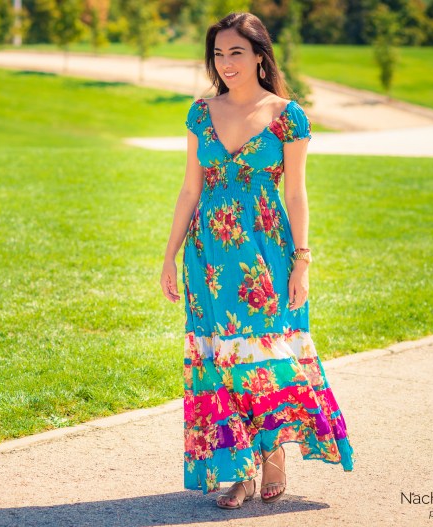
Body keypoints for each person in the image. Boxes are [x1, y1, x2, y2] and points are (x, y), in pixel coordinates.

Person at [160, 12, 355, 510]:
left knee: (264, 355)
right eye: (219, 54)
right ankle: (239, 470)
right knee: (223, 358)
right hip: (207, 257)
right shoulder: (200, 113)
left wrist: (303, 261)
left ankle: (273, 457)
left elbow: (297, 193)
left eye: (237, 53)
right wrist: (168, 255)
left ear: (260, 56)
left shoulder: (287, 115)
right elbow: (189, 188)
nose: (226, 63)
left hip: (265, 257)